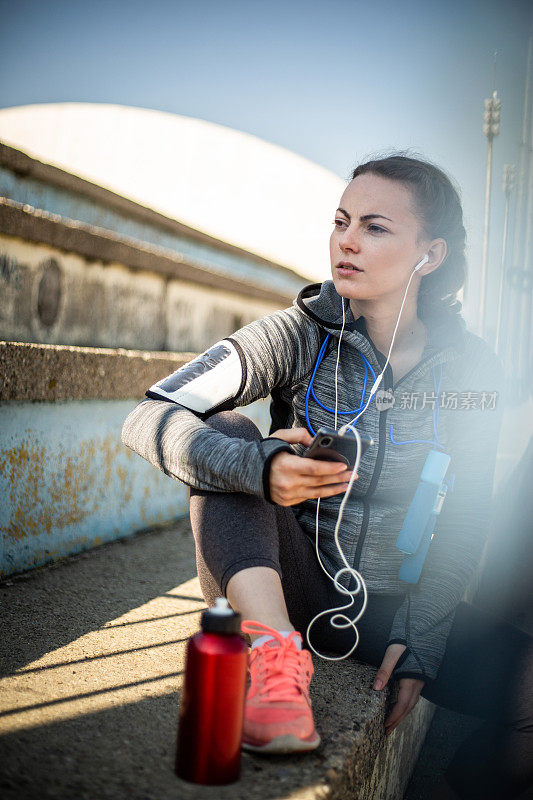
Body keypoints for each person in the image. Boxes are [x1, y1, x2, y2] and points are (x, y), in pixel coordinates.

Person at [121, 155, 533, 800]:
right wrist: (263, 469)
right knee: (229, 437)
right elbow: (151, 415)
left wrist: (423, 637)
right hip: (291, 584)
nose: (346, 240)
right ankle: (274, 664)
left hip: (393, 607)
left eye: (374, 227)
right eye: (341, 221)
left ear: (429, 254)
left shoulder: (474, 370)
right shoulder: (298, 333)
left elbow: (469, 512)